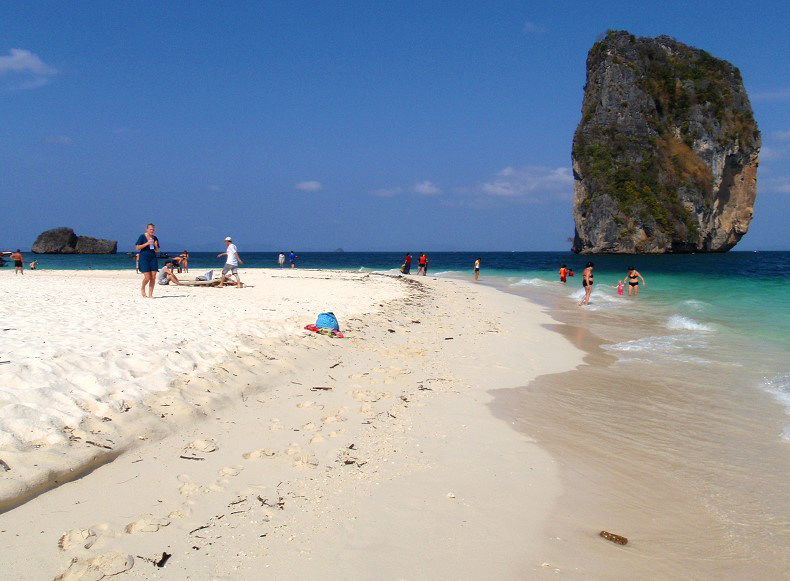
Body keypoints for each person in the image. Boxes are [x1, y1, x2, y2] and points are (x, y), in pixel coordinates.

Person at [135, 223, 160, 297]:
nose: (152, 231)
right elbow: (137, 248)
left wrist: (155, 245)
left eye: (153, 229)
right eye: (150, 229)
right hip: (144, 258)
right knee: (147, 277)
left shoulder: (155, 238)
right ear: (147, 229)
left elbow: (157, 250)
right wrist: (147, 243)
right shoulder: (142, 236)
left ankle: (150, 294)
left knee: (154, 276)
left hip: (153, 257)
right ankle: (143, 288)